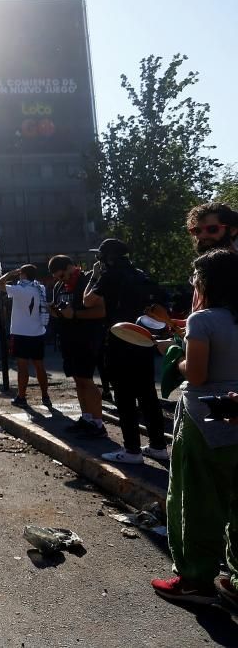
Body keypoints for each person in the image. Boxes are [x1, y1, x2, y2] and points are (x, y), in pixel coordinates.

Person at [151, 249, 238, 609]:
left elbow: (198, 373)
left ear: (205, 282)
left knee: (196, 497)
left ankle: (195, 580)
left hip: (209, 415)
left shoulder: (203, 320)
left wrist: (175, 357)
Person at [83, 239, 168, 458]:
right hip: (142, 338)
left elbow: (88, 301)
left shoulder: (109, 276)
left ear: (105, 258)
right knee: (148, 394)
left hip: (120, 339)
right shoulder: (140, 274)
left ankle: (132, 450)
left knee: (124, 396)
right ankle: (159, 446)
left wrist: (94, 276)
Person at [48, 255, 105, 434]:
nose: (61, 280)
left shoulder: (88, 280)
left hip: (86, 338)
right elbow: (63, 310)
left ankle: (98, 423)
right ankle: (86, 417)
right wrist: (55, 312)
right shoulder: (59, 286)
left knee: (87, 380)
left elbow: (101, 311)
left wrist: (74, 315)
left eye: (63, 275)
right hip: (68, 338)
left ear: (71, 267)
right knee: (77, 379)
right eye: (57, 277)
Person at [0, 264, 51, 408]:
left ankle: (21, 396)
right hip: (38, 332)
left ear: (23, 274)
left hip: (21, 333)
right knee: (40, 366)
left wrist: (9, 274)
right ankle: (45, 396)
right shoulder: (40, 288)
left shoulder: (19, 290)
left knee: (23, 367)